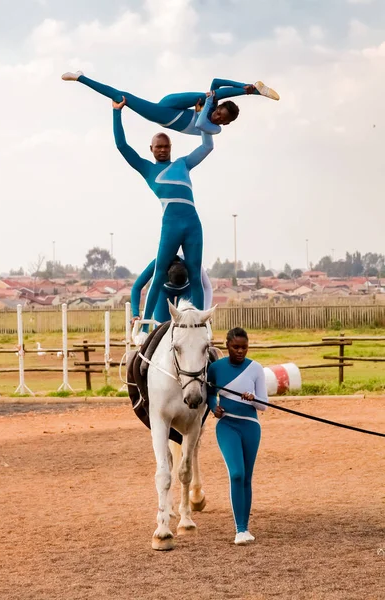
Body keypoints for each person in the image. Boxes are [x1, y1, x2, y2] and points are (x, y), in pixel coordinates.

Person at [112, 95, 214, 345]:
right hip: (171, 226)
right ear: (151, 149)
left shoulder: (183, 164)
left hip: (193, 225)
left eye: (166, 147)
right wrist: (117, 112)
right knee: (158, 276)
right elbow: (122, 147)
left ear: (171, 149)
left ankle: (199, 326)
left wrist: (203, 120)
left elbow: (207, 147)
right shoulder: (147, 169)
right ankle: (145, 329)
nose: (162, 150)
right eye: (158, 147)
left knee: (196, 275)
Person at [61, 72, 280, 135]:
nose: (217, 117)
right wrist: (241, 85)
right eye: (219, 113)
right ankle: (251, 89)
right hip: (172, 106)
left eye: (222, 119)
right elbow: (216, 82)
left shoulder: (214, 129)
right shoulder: (210, 105)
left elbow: (202, 123)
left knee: (122, 96)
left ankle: (80, 77)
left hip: (167, 113)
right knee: (211, 94)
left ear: (225, 124)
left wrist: (204, 110)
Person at [207, 327, 268, 546]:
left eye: (244, 347)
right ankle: (239, 530)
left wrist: (252, 398)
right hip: (227, 425)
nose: (240, 351)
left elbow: (263, 405)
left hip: (251, 427)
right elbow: (208, 394)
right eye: (236, 347)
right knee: (236, 474)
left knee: (247, 477)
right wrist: (214, 407)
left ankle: (246, 527)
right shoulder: (215, 368)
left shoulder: (256, 369)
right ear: (227, 346)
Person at [131, 255, 213, 326]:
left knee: (188, 323)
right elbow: (136, 287)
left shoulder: (193, 264)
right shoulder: (158, 264)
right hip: (163, 291)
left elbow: (207, 287)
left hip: (186, 291)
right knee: (161, 325)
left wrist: (204, 313)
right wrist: (135, 314)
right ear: (166, 275)